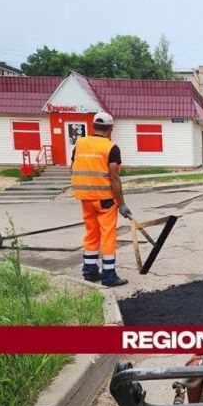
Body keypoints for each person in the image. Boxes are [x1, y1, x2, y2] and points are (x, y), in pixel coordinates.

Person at [71, 112, 131, 287]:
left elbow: (73, 167)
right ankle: (109, 276)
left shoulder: (80, 143)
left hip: (85, 198)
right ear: (110, 128)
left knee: (91, 234)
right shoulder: (111, 147)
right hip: (105, 200)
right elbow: (114, 178)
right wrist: (122, 204)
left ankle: (89, 271)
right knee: (108, 236)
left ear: (93, 127)